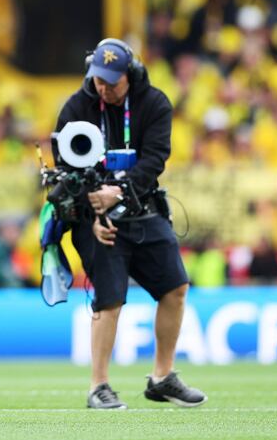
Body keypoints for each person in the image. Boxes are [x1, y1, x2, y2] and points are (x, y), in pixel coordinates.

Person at [54, 38, 207, 409]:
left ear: (131, 75)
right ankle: (98, 387)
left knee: (175, 286)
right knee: (109, 299)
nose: (103, 88)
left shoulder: (154, 104)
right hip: (93, 217)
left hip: (142, 209)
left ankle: (162, 377)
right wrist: (93, 211)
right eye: (98, 80)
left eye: (112, 82)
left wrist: (119, 192)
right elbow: (65, 167)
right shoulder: (77, 106)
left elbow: (155, 159)